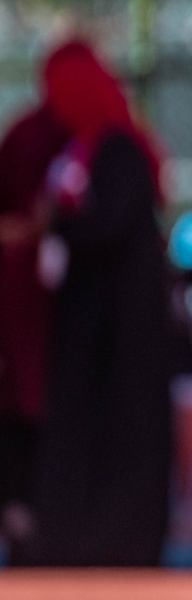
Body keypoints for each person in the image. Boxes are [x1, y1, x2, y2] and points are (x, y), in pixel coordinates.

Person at [29, 41, 175, 566]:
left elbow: (110, 223)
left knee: (124, 437)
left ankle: (117, 539)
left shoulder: (118, 150)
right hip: (89, 328)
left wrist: (58, 224)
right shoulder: (81, 148)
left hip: (123, 329)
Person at [0, 62, 72, 564]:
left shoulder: (86, 138)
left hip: (57, 313)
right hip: (18, 303)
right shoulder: (26, 136)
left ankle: (33, 513)